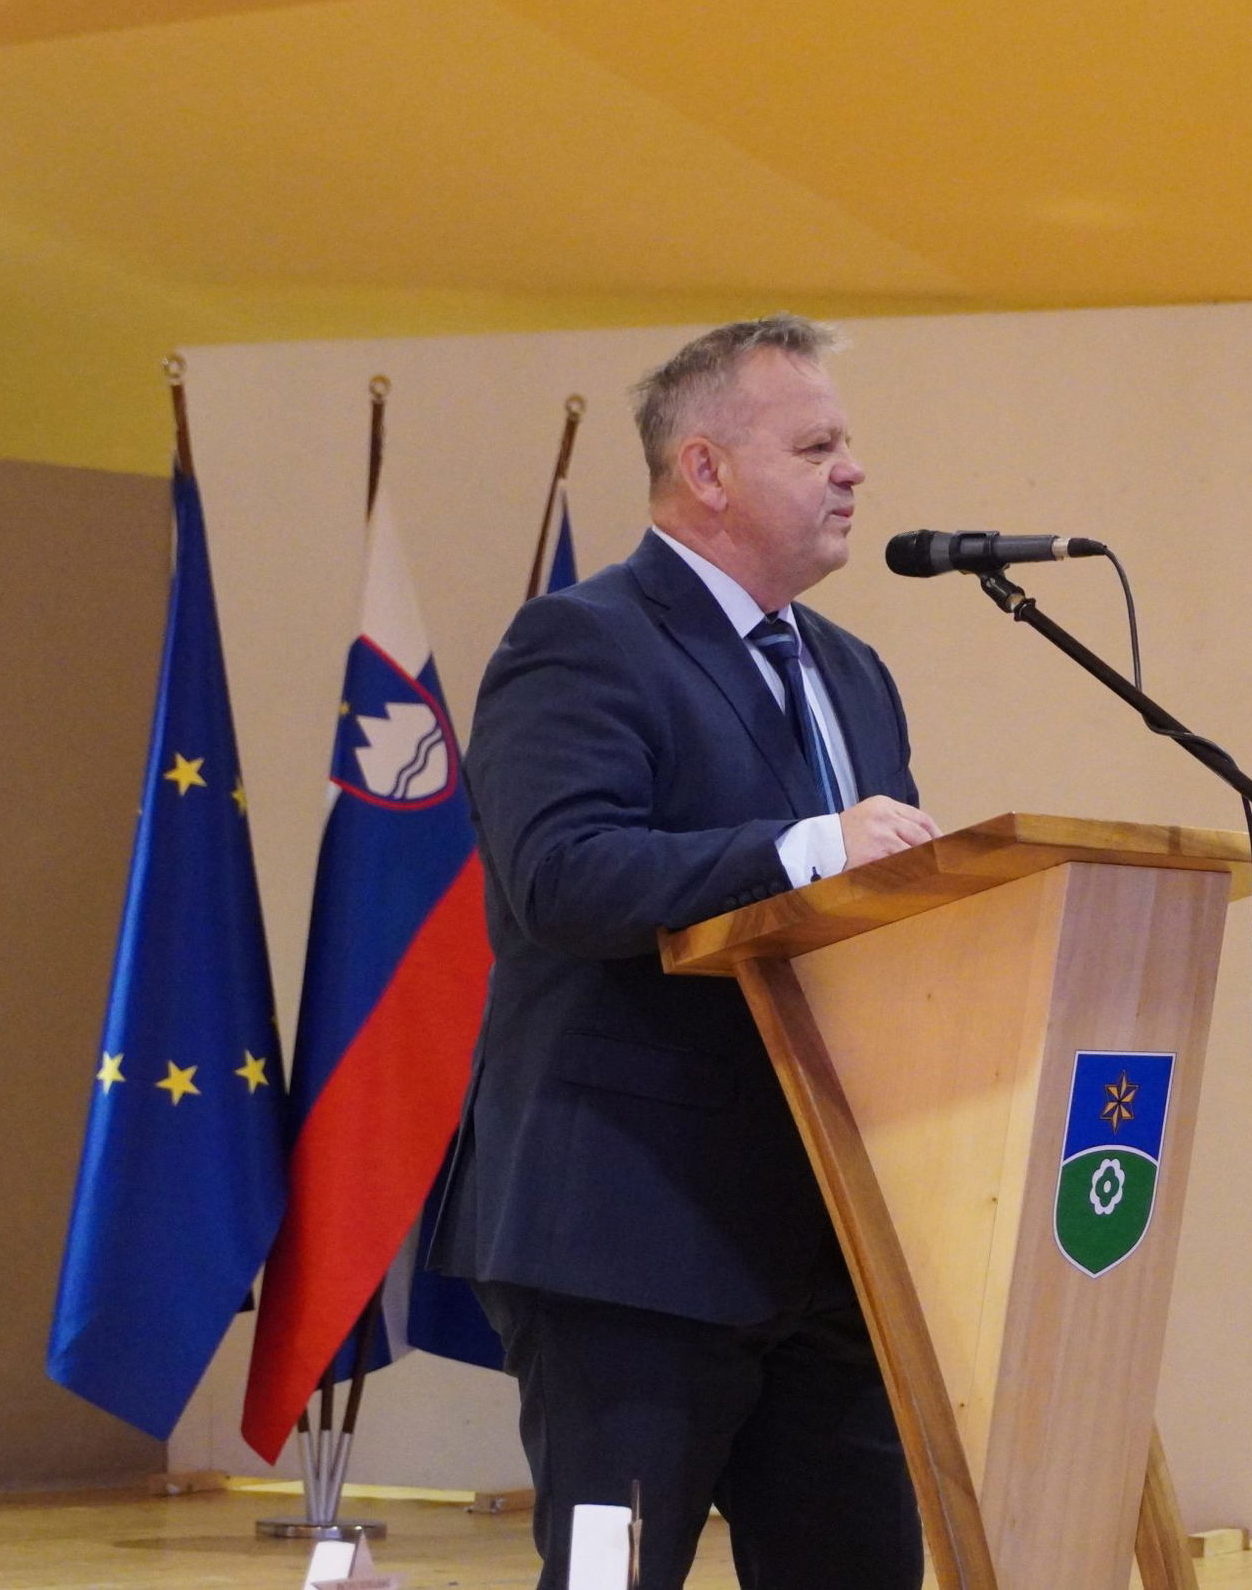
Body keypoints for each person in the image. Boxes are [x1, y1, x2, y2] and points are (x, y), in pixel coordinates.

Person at [433, 315, 941, 1589]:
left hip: (829, 1233)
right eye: (815, 446)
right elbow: (561, 876)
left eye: (846, 443)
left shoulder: (854, 673)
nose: (852, 470)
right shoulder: (579, 640)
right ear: (704, 469)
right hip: (631, 1236)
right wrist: (806, 847)